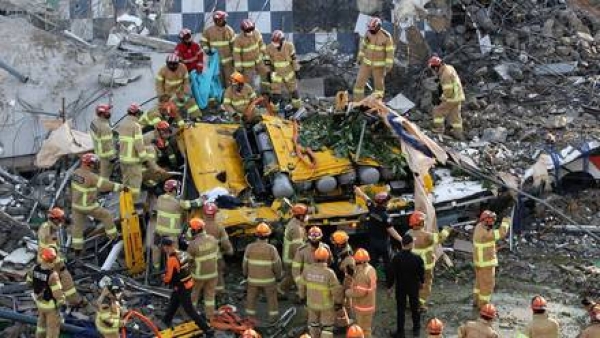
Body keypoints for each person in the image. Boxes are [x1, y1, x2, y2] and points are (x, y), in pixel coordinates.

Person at [161, 237, 214, 337]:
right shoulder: (182, 253)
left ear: (166, 247)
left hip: (182, 288)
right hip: (188, 283)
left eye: (163, 247)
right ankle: (166, 321)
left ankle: (207, 330)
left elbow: (168, 278)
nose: (163, 249)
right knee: (174, 302)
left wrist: (164, 278)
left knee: (190, 310)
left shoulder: (171, 259)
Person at [71, 153, 122, 252]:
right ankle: (114, 237)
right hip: (88, 206)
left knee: (77, 228)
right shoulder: (91, 176)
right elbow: (105, 185)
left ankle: (77, 250)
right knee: (106, 215)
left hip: (76, 206)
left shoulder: (75, 173)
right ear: (91, 164)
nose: (97, 165)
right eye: (95, 164)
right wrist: (121, 187)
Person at [151, 179, 202, 271]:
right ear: (174, 190)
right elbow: (191, 204)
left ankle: (155, 269)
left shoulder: (160, 199)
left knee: (156, 251)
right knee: (172, 255)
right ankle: (172, 272)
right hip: (171, 236)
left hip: (158, 233)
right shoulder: (178, 203)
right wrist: (203, 199)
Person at [406, 211, 451, 311]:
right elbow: (440, 238)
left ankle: (411, 301)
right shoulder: (426, 235)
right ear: (421, 223)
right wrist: (446, 230)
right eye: (424, 221)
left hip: (411, 265)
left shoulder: (408, 233)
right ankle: (419, 304)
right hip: (425, 266)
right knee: (426, 284)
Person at [37, 208, 82, 306]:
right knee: (55, 288)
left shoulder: (55, 227)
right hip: (49, 264)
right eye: (60, 219)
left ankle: (74, 302)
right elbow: (47, 245)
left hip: (57, 264)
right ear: (54, 219)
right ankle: (58, 305)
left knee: (68, 284)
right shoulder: (46, 229)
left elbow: (67, 228)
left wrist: (69, 223)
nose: (61, 222)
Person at [354, 187, 402, 274]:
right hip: (384, 243)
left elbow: (366, 198)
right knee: (388, 264)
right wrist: (401, 239)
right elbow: (392, 231)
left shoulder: (372, 209)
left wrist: (359, 192)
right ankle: (389, 286)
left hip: (373, 242)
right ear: (385, 203)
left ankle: (370, 278)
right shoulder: (386, 217)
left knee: (372, 262)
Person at [299, 247, 343, 338]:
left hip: (311, 304)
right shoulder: (329, 273)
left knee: (313, 324)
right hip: (326, 306)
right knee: (327, 327)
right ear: (327, 258)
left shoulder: (307, 270)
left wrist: (302, 297)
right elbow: (336, 290)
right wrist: (339, 302)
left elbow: (301, 286)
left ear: (314, 258)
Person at [243, 222, 282, 323]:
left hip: (252, 280)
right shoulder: (271, 249)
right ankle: (273, 319)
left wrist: (245, 275)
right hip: (268, 281)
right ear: (268, 235)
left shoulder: (249, 247)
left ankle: (250, 319)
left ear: (256, 235)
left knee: (251, 299)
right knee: (272, 299)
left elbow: (244, 264)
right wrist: (278, 276)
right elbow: (277, 265)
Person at [387, 235, 424, 338]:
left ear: (402, 244)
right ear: (411, 244)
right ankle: (416, 329)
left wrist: (389, 287)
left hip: (401, 287)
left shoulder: (396, 258)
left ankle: (400, 332)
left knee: (400, 309)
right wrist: (421, 282)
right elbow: (421, 272)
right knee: (415, 307)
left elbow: (391, 274)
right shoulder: (417, 258)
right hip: (413, 286)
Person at [472, 210, 510, 309]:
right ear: (485, 220)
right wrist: (506, 222)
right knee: (487, 286)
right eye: (491, 220)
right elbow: (501, 233)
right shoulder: (485, 233)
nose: (492, 222)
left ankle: (476, 301)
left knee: (479, 284)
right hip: (486, 265)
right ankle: (483, 307)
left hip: (479, 263)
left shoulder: (478, 227)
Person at [353, 17, 395, 101]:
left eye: (373, 29)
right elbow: (363, 46)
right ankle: (357, 103)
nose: (371, 31)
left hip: (379, 67)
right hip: (366, 64)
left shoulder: (386, 37)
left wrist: (389, 65)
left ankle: (377, 104)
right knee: (359, 84)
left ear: (378, 26)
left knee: (379, 87)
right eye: (370, 28)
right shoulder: (368, 33)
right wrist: (359, 57)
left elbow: (390, 52)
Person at [27, 248, 65, 338]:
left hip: (39, 303)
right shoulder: (52, 275)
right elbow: (58, 294)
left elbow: (29, 283)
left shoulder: (34, 269)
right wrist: (61, 303)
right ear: (52, 260)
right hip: (50, 306)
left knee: (41, 326)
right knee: (52, 330)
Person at [186, 218, 219, 319]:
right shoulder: (213, 239)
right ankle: (210, 317)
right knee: (210, 296)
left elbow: (189, 261)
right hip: (213, 274)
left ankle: (192, 316)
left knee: (194, 295)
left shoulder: (193, 245)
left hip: (198, 276)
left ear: (194, 231)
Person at [427, 55, 465, 140]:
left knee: (438, 111)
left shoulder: (445, 75)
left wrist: (442, 98)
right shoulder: (449, 68)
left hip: (452, 98)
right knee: (455, 116)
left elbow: (448, 91)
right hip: (459, 96)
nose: (433, 71)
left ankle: (439, 129)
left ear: (436, 67)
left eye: (433, 69)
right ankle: (458, 134)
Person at [116, 103, 148, 200]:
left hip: (123, 159)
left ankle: (124, 201)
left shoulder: (122, 124)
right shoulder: (136, 126)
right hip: (133, 160)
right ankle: (133, 204)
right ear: (137, 113)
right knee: (135, 183)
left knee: (126, 182)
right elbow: (139, 144)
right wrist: (144, 159)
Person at [264, 30, 301, 110]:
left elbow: (294, 59)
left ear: (282, 40)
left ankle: (297, 109)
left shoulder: (289, 46)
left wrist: (297, 70)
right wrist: (268, 74)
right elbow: (267, 63)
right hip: (276, 75)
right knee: (276, 96)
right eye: (274, 41)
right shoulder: (268, 48)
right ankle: (274, 112)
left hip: (289, 74)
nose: (275, 44)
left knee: (294, 93)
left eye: (277, 41)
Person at [202, 202, 234, 294]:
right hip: (215, 258)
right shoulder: (219, 227)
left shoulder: (199, 226)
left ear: (204, 214)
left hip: (199, 258)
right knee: (219, 273)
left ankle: (202, 293)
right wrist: (230, 251)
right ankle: (219, 295)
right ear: (215, 214)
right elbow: (226, 244)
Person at [345, 248, 376, 338]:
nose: (355, 264)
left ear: (361, 262)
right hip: (369, 304)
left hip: (363, 307)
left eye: (357, 262)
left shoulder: (362, 275)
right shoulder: (371, 269)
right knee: (366, 327)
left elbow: (360, 293)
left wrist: (348, 292)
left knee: (363, 329)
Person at [278, 203, 308, 296]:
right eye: (305, 215)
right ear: (300, 216)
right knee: (293, 276)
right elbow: (297, 248)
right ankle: (278, 292)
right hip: (292, 258)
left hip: (288, 257)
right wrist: (302, 260)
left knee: (290, 276)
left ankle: (279, 291)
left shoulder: (294, 223)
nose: (307, 217)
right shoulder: (296, 229)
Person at [232, 19, 270, 92]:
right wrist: (239, 68)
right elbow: (236, 54)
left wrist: (267, 61)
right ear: (243, 30)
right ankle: (252, 99)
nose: (250, 32)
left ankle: (266, 93)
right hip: (247, 66)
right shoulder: (238, 39)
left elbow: (262, 46)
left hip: (259, 61)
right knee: (249, 83)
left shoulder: (256, 33)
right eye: (248, 31)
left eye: (251, 29)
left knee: (266, 75)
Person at [201, 11, 236, 85]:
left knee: (230, 81)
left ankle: (229, 96)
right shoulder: (208, 31)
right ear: (217, 20)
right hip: (215, 63)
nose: (225, 20)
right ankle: (220, 96)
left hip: (228, 63)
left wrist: (235, 59)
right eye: (223, 19)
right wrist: (207, 50)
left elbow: (234, 46)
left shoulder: (229, 30)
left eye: (224, 18)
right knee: (218, 82)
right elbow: (203, 42)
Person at [331, 230, 355, 330]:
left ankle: (343, 324)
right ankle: (348, 317)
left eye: (335, 243)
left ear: (340, 245)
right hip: (342, 280)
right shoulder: (343, 251)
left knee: (339, 304)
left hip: (344, 283)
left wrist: (343, 289)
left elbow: (349, 276)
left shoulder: (347, 258)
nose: (334, 245)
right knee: (345, 302)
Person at [90, 104, 116, 178]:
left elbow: (98, 135)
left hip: (97, 151)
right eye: (107, 112)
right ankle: (104, 188)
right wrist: (112, 158)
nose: (109, 113)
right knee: (105, 176)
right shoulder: (105, 127)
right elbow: (106, 144)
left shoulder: (94, 122)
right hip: (105, 156)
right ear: (101, 114)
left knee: (100, 171)